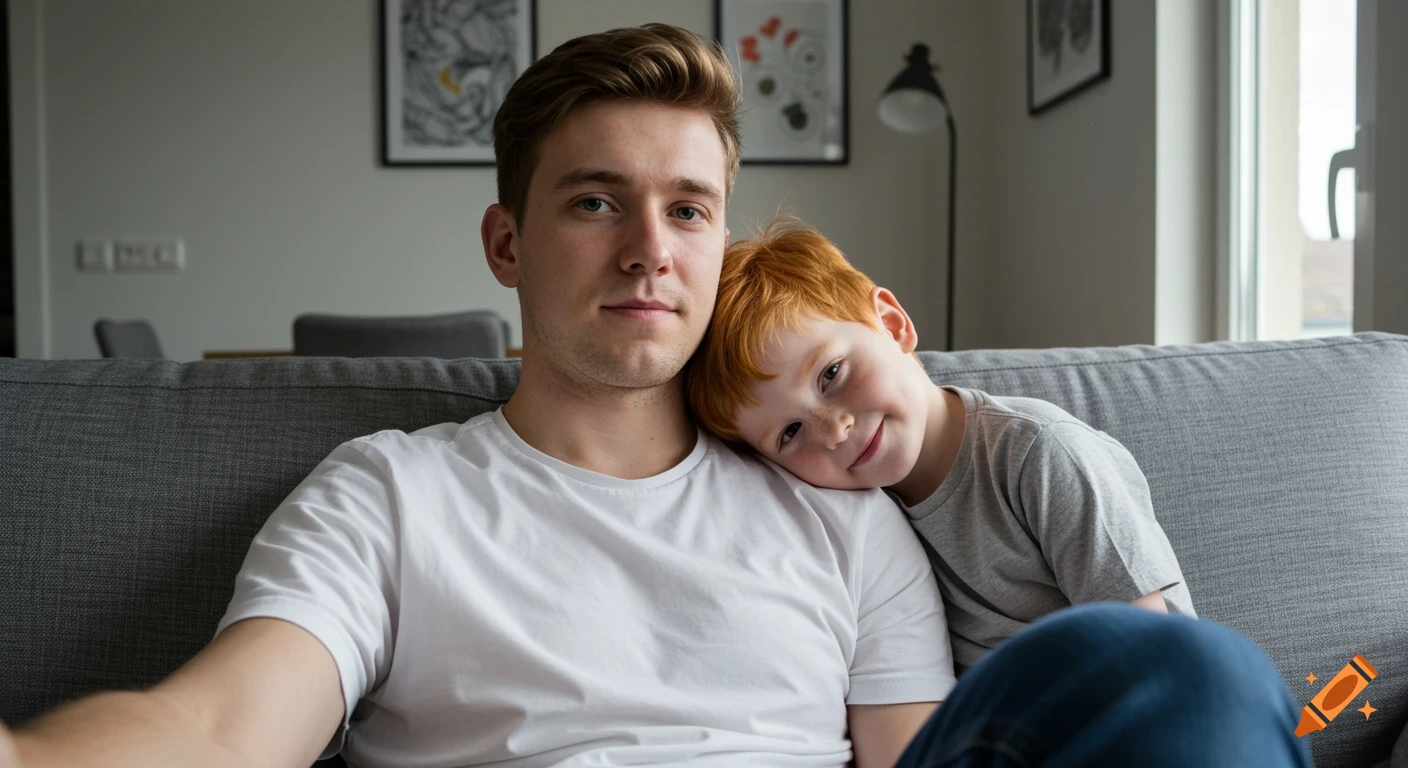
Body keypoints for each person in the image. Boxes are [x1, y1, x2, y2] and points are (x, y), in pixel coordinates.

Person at [0, 23, 1311, 768]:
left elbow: (919, 759)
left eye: (689, 208)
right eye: (594, 203)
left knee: (1170, 667)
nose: (650, 247)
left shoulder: (834, 501)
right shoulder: (390, 494)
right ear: (506, 247)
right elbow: (222, 727)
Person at [685, 219, 1196, 674]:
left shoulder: (1036, 452)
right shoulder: (857, 517)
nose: (832, 429)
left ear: (892, 324)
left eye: (831, 374)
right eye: (790, 433)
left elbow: (1150, 647)